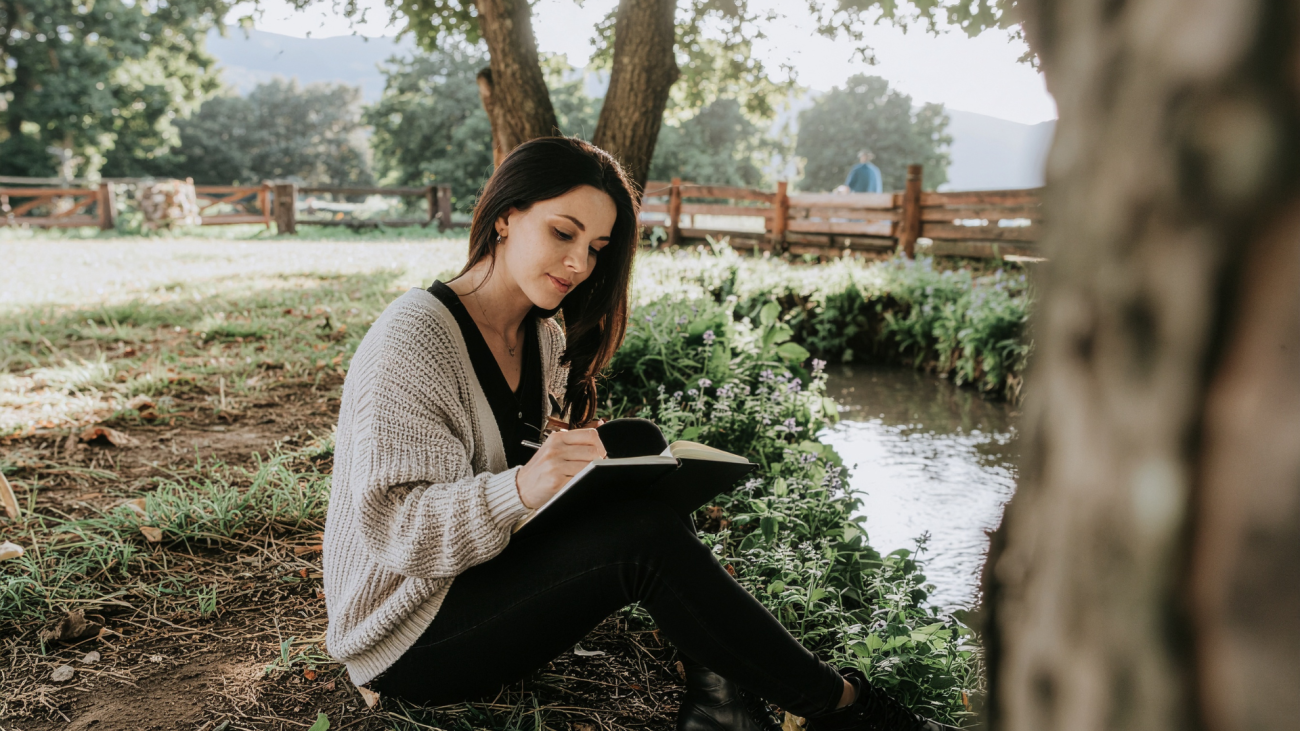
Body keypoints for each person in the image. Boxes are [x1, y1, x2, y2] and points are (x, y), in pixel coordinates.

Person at [321, 136, 956, 731]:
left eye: (597, 247)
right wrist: (522, 486)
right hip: (403, 634)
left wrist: (572, 470)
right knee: (642, 538)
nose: (578, 262)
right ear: (506, 216)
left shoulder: (542, 332)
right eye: (563, 232)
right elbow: (397, 529)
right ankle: (844, 709)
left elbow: (508, 460)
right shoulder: (415, 337)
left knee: (638, 451)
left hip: (471, 580)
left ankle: (721, 700)